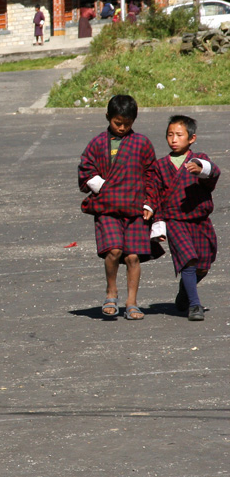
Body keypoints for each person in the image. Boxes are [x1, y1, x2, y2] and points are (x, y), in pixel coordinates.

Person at [78, 95, 157, 320]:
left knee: (132, 256)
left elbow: (152, 175)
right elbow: (86, 169)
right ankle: (111, 291)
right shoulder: (96, 143)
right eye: (117, 123)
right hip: (107, 207)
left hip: (135, 208)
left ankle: (131, 301)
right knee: (114, 251)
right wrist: (103, 187)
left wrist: (150, 202)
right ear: (108, 118)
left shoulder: (142, 143)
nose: (122, 128)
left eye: (127, 124)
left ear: (134, 120)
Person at [146, 115, 220, 321]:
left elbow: (214, 172)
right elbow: (155, 195)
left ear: (191, 138)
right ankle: (195, 305)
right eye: (170, 135)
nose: (174, 139)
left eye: (179, 135)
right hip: (175, 221)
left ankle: (185, 292)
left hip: (200, 221)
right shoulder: (160, 166)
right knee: (188, 261)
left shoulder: (199, 160)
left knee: (203, 264)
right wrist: (158, 225)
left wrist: (202, 169)